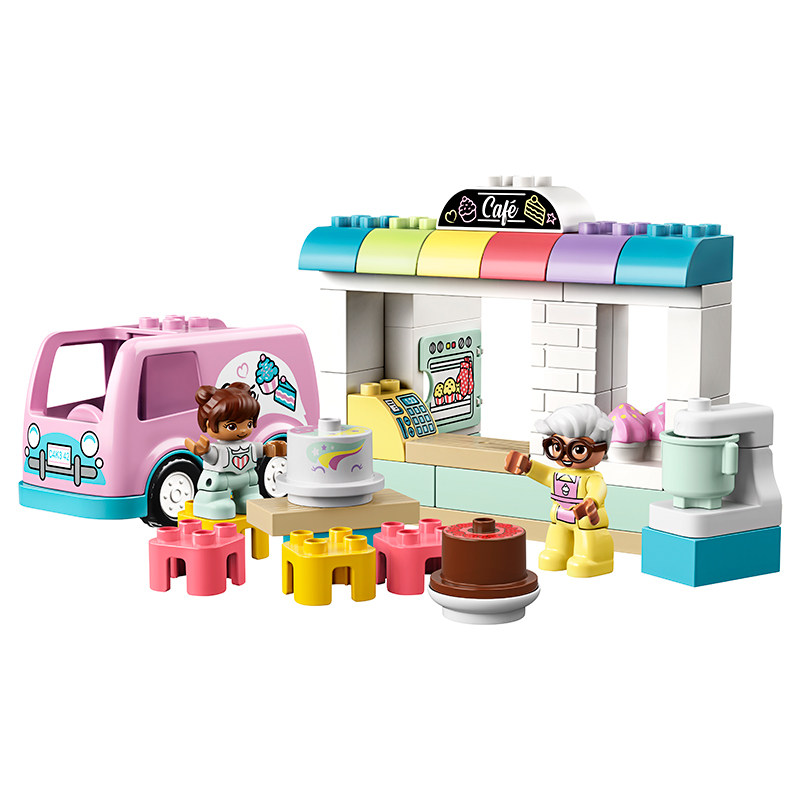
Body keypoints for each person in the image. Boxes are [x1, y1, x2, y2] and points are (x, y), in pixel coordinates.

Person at [505, 404, 614, 578]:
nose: (565, 455)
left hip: (584, 520)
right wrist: (527, 466)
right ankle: (557, 552)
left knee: (587, 536)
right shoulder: (559, 474)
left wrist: (591, 502)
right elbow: (545, 475)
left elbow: (598, 490)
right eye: (557, 447)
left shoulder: (593, 478)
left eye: (578, 449)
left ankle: (590, 558)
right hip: (560, 518)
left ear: (601, 449)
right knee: (557, 534)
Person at [184, 383, 264, 519]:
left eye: (249, 423)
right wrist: (204, 451)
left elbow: (260, 450)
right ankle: (213, 502)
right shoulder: (218, 449)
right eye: (232, 426)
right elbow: (212, 457)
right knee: (220, 503)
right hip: (221, 481)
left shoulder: (249, 445)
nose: (243, 430)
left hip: (247, 479)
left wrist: (271, 448)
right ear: (209, 424)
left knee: (251, 498)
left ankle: (247, 497)